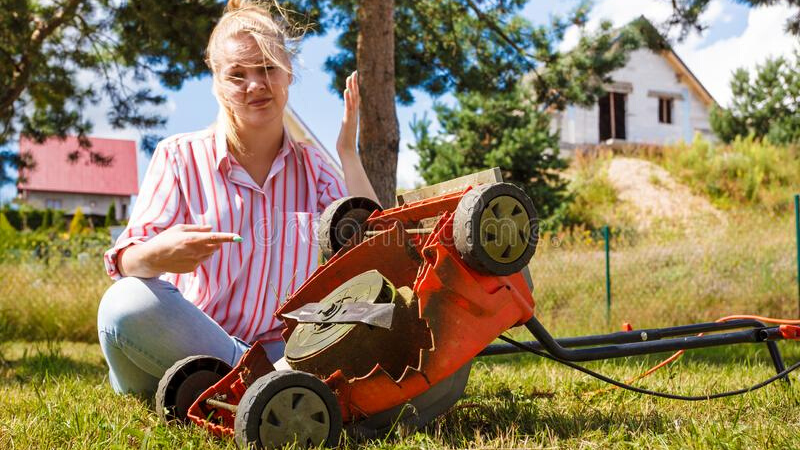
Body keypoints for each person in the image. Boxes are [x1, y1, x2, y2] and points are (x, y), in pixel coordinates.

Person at [97, 0, 379, 396]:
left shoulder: (313, 165)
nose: (256, 85)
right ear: (216, 82)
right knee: (123, 303)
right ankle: (273, 388)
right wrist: (155, 255)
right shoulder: (179, 156)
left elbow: (375, 243)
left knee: (380, 313)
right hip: (187, 347)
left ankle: (254, 389)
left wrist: (348, 153)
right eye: (237, 74)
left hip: (281, 348)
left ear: (288, 73)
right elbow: (123, 262)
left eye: (267, 68)